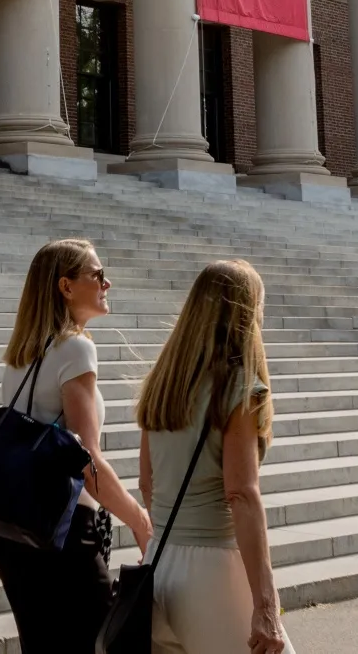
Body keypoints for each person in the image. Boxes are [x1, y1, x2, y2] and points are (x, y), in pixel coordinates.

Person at [0, 239, 153, 653]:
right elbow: (87, 459)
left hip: (13, 533)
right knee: (105, 645)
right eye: (98, 275)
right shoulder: (76, 348)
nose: (107, 283)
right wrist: (139, 519)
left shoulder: (23, 354)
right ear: (66, 286)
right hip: (64, 533)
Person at [138, 260, 291, 654]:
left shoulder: (163, 383)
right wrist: (266, 603)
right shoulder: (239, 387)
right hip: (213, 570)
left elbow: (147, 483)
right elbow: (241, 493)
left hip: (160, 559)